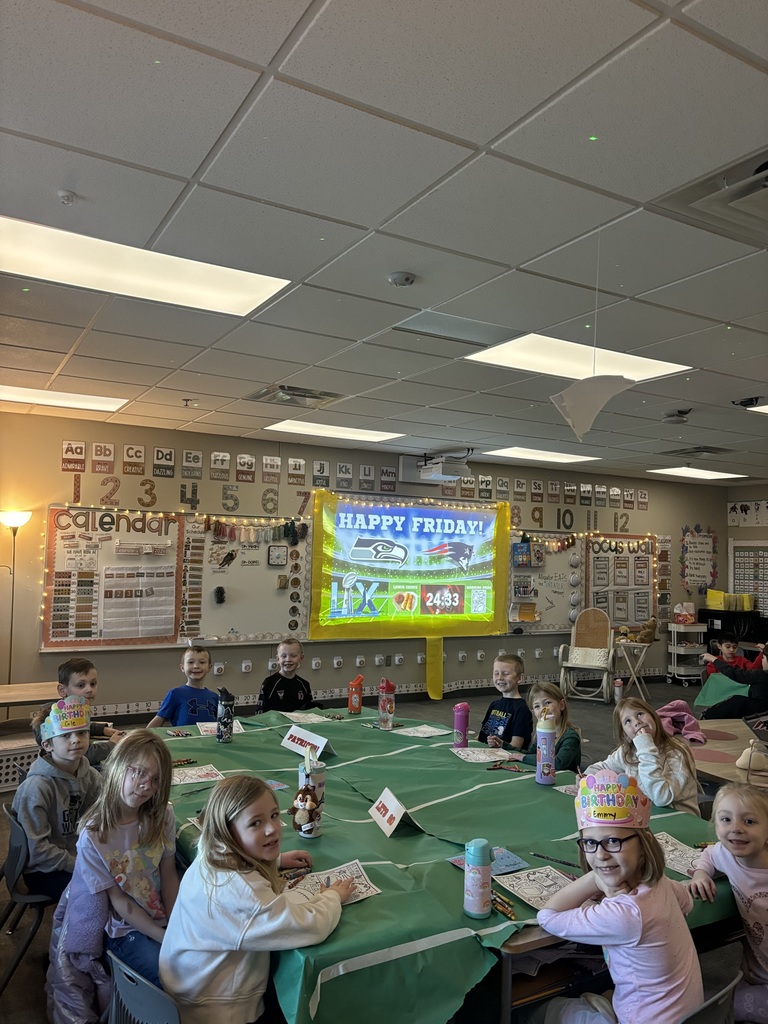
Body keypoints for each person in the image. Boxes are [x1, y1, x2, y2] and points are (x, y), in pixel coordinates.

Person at [159, 775, 356, 1024]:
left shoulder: (211, 853)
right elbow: (309, 925)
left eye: (274, 815)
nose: (272, 828)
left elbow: (240, 862)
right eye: (255, 823)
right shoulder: (241, 892)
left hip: (187, 990)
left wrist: (274, 859)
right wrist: (332, 896)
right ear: (227, 831)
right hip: (215, 1011)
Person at [523, 770, 703, 1024]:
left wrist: (596, 879)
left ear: (644, 845)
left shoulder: (625, 915)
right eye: (590, 844)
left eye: (613, 842)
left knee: (548, 1010)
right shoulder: (660, 883)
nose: (602, 855)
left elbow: (548, 916)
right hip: (690, 1016)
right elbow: (687, 902)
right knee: (600, 996)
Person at [71, 729, 178, 987]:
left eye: (155, 780)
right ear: (118, 766)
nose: (146, 786)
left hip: (165, 920)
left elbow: (168, 874)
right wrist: (166, 938)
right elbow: (119, 901)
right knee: (173, 980)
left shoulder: (163, 815)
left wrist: (177, 926)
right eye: (139, 772)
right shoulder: (94, 834)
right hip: (125, 931)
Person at [690, 782, 768, 1022]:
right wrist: (701, 872)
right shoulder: (727, 854)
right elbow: (710, 854)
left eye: (749, 821)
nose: (736, 829)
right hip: (756, 971)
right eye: (725, 820)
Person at [11, 695, 101, 900]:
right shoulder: (36, 788)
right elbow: (39, 851)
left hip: (81, 856)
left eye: (81, 732)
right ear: (47, 745)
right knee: (98, 896)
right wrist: (81, 864)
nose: (76, 739)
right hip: (44, 871)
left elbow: (101, 820)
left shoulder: (92, 776)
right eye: (65, 736)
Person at [583, 696, 700, 816]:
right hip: (646, 816)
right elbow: (603, 767)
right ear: (626, 735)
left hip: (679, 820)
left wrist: (646, 748)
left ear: (654, 717)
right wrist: (586, 777)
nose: (636, 722)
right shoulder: (626, 752)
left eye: (640, 714)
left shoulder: (676, 753)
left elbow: (661, 798)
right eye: (627, 721)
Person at [56, 656, 124, 767]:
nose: (89, 690)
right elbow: (83, 755)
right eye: (81, 685)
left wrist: (102, 729)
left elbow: (79, 725)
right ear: (62, 690)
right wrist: (112, 745)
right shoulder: (55, 719)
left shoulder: (77, 712)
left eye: (93, 684)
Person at [506, 681, 581, 772]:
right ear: (533, 712)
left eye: (547, 702)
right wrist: (504, 745)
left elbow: (559, 763)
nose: (543, 709)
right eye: (537, 706)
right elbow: (530, 754)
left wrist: (524, 758)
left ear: (561, 705)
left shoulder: (570, 736)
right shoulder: (543, 733)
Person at [147, 646, 219, 728]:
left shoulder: (214, 697)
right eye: (190, 662)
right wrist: (142, 738)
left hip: (208, 740)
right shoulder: (175, 694)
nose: (196, 666)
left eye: (202, 662)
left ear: (209, 667)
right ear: (182, 667)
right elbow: (159, 719)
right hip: (183, 739)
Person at [477, 654, 533, 751]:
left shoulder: (521, 709)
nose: (500, 677)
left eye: (505, 673)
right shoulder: (494, 705)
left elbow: (516, 746)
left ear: (519, 678)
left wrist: (497, 746)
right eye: (496, 673)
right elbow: (482, 736)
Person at [254, 637, 317, 714]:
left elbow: (310, 712)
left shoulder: (304, 685)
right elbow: (260, 712)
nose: (288, 660)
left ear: (301, 658)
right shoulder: (269, 683)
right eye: (284, 656)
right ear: (278, 659)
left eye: (293, 656)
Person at [700, 649, 768, 720]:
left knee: (737, 701)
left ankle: (706, 715)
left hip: (761, 712)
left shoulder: (761, 675)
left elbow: (734, 673)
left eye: (763, 658)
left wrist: (713, 659)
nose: (762, 661)